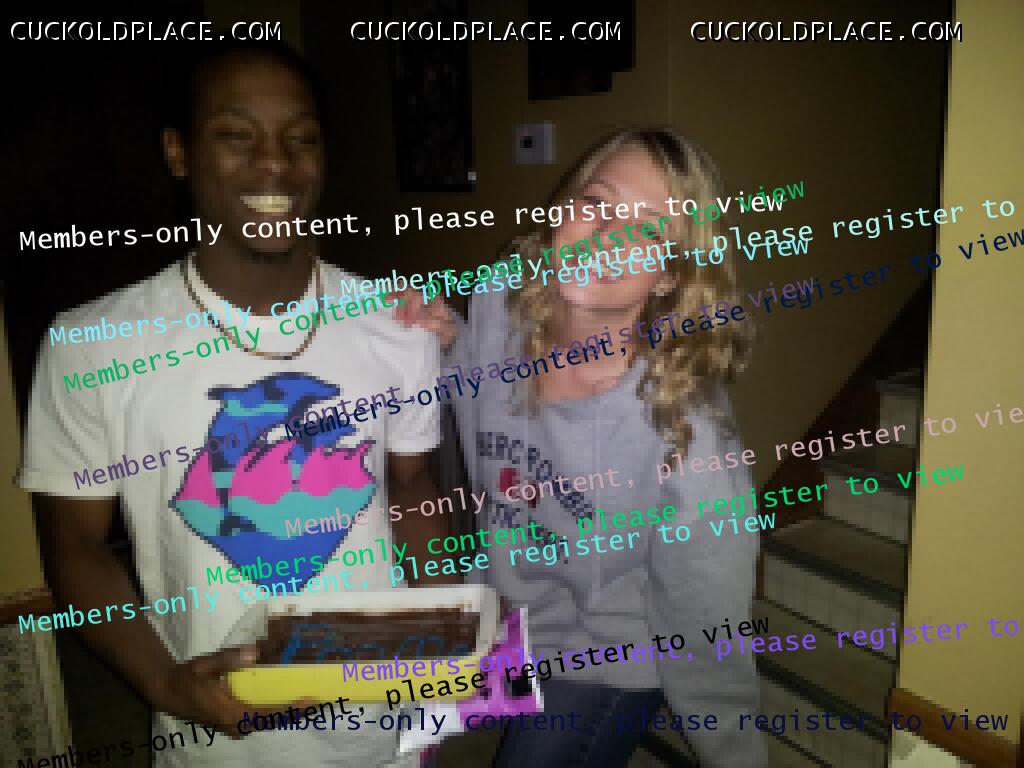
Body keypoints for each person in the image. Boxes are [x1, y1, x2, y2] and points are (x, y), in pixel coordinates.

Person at [19, 40, 449, 768]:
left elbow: (412, 486)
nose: (275, 163)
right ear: (179, 153)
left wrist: (445, 634)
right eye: (236, 135)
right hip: (215, 739)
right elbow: (77, 546)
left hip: (381, 725)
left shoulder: (398, 327)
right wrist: (165, 685)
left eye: (301, 138)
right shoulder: (90, 343)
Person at [397, 129, 766, 766]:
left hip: (607, 652)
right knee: (376, 722)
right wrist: (443, 341)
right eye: (597, 203)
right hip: (507, 608)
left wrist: (732, 753)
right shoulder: (497, 305)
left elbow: (707, 622)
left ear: (671, 273)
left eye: (647, 229)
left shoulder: (687, 436)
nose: (607, 236)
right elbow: (479, 393)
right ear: (561, 210)